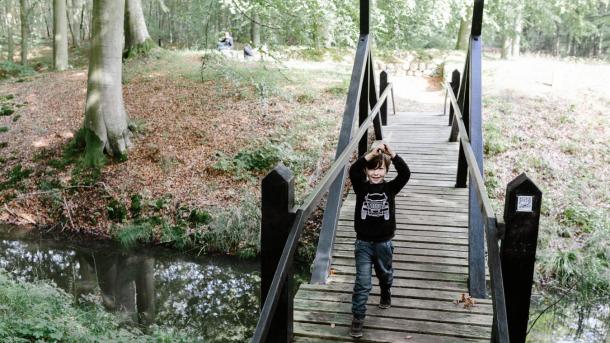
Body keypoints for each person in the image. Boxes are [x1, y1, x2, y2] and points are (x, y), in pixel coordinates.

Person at [348, 142, 410, 338]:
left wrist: (393, 154)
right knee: (363, 282)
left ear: (386, 170)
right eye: (372, 169)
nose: (376, 173)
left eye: (380, 169)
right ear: (366, 171)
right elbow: (353, 170)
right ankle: (358, 318)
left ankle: (385, 291)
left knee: (385, 274)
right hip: (363, 243)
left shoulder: (391, 188)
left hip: (384, 242)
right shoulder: (361, 188)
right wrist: (369, 155)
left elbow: (405, 174)